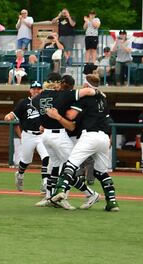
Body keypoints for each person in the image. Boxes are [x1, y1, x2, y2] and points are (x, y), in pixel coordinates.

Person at [45, 74, 119, 212]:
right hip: (104, 138)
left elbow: (71, 115)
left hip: (89, 135)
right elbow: (107, 120)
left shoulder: (85, 98)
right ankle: (112, 202)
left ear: (86, 86)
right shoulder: (103, 99)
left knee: (70, 164)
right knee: (101, 172)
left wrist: (61, 110)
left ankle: (60, 190)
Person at [31, 73, 98, 207]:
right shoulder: (63, 94)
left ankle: (52, 196)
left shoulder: (37, 98)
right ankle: (88, 194)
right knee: (68, 167)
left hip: (47, 136)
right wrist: (98, 92)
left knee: (56, 167)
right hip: (59, 135)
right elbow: (88, 91)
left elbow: (38, 106)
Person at [3, 81, 48, 192]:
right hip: (28, 135)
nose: (36, 91)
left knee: (47, 157)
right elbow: (13, 114)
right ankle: (20, 174)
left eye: (38, 89)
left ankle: (45, 183)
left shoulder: (45, 102)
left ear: (42, 90)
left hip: (42, 135)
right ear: (30, 90)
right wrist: (8, 116)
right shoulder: (24, 102)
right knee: (26, 161)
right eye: (34, 89)